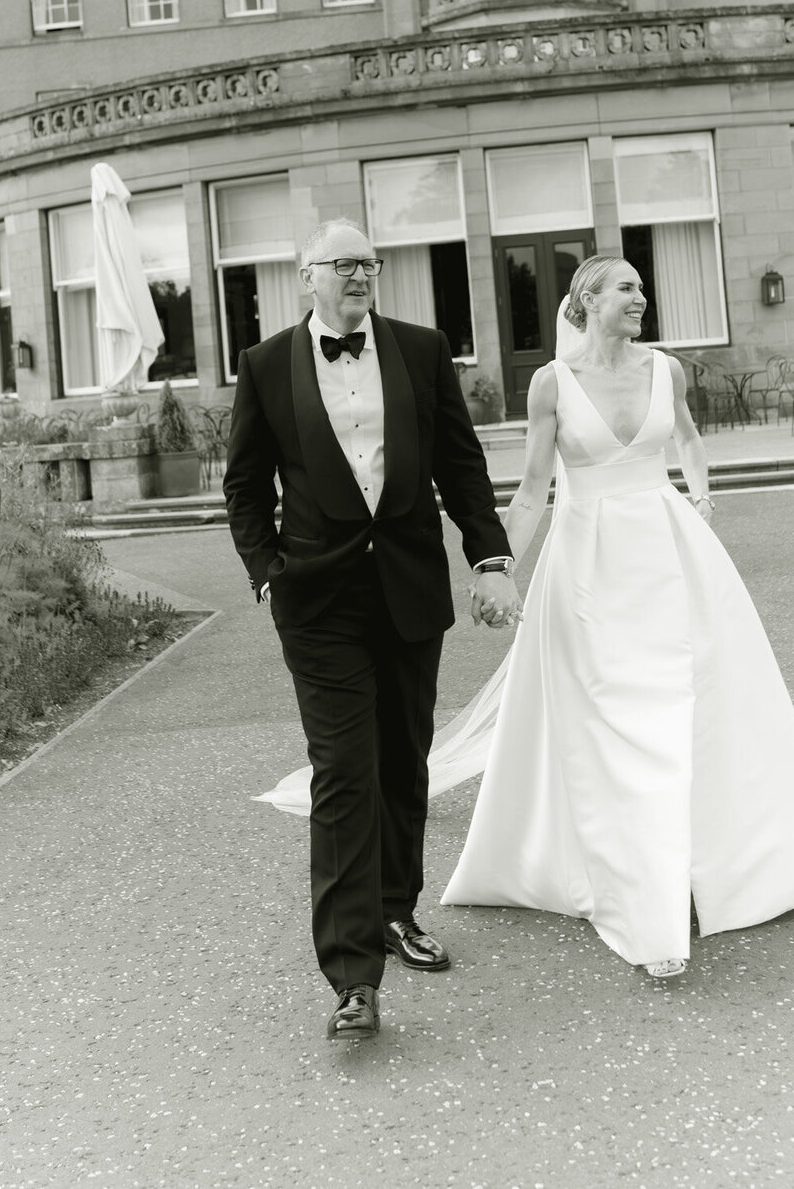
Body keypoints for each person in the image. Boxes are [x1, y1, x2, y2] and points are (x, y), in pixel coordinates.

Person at [440, 254, 794, 978]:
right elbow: (535, 490)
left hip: (671, 557)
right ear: (588, 300)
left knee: (695, 710)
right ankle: (638, 894)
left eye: (641, 285)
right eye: (626, 287)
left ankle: (723, 866)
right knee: (616, 722)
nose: (642, 296)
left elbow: (688, 436)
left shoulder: (667, 370)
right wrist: (497, 568)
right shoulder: (551, 384)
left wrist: (699, 501)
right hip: (590, 569)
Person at [224, 218, 515, 1040]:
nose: (359, 276)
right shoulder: (266, 364)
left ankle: (396, 910)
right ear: (305, 275)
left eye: (369, 264)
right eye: (343, 265)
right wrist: (266, 569)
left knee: (401, 763)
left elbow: (461, 465)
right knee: (344, 773)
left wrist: (488, 559)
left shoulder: (421, 350)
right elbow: (244, 484)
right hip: (317, 602)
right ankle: (353, 976)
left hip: (410, 589)